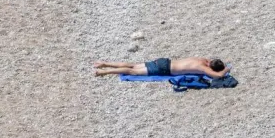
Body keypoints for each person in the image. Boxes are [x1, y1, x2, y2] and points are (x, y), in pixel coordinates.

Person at [94, 56, 229, 78]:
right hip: (164, 69)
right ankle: (103, 72)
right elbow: (217, 75)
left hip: (164, 61)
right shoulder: (202, 67)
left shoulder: (202, 60)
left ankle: (105, 63)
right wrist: (226, 70)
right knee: (132, 71)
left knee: (132, 64)